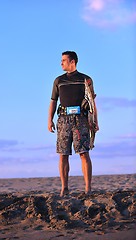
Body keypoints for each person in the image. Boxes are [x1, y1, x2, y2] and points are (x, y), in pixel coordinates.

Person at [48, 51, 99, 197]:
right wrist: (49, 120)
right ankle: (64, 188)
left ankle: (88, 189)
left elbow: (92, 102)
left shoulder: (86, 79)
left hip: (81, 120)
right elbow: (53, 101)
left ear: (73, 62)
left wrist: (95, 120)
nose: (61, 63)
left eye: (64, 60)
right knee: (63, 154)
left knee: (84, 153)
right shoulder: (59, 81)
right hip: (63, 120)